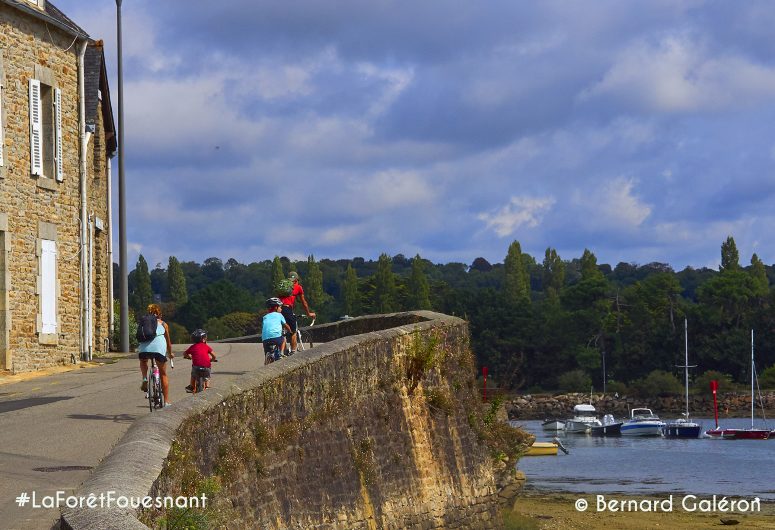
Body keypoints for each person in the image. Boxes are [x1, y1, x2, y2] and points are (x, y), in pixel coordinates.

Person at [137, 304, 173, 405]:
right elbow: (168, 342)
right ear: (159, 314)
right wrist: (170, 353)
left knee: (143, 361)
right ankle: (166, 401)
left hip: (144, 350)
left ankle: (144, 378)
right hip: (158, 350)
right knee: (163, 374)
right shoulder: (163, 324)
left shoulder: (144, 323)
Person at [279, 271, 316, 353]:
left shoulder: (282, 287)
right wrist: (308, 313)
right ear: (296, 280)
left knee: (281, 332)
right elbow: (304, 303)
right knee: (293, 331)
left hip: (277, 310)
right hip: (287, 309)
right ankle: (293, 353)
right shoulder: (298, 287)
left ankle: (282, 352)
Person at [184, 329, 217, 393]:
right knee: (207, 376)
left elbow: (185, 354)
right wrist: (212, 359)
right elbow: (214, 356)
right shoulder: (206, 346)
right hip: (206, 367)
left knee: (193, 374)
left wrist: (188, 357)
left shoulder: (192, 347)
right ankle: (207, 386)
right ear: (203, 339)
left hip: (196, 367)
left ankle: (192, 386)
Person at [263, 297, 292, 364]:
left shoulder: (265, 317)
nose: (281, 309)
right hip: (275, 336)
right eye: (280, 307)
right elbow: (285, 325)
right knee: (283, 340)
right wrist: (290, 331)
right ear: (276, 307)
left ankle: (267, 359)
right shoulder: (279, 315)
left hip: (265, 338)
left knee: (268, 351)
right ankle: (281, 354)